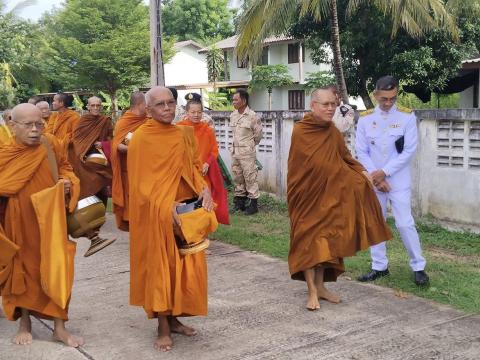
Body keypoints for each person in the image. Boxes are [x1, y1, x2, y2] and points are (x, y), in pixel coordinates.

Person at [287, 88, 392, 311]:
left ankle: (322, 287)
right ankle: (312, 292)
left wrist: (362, 172)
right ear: (313, 105)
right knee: (308, 242)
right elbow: (306, 167)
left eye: (333, 104)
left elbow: (344, 158)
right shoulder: (301, 131)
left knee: (327, 242)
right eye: (325, 104)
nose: (330, 108)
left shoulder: (333, 132)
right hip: (306, 197)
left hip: (329, 198)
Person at [128, 86, 214, 352]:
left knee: (183, 269)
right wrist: (166, 207)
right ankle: (163, 327)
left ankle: (175, 319)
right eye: (160, 104)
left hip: (186, 213)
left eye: (170, 103)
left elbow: (194, 169)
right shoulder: (141, 138)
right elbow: (140, 185)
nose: (167, 108)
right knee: (161, 269)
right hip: (158, 214)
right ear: (149, 109)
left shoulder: (184, 134)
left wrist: (205, 190)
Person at [0, 103, 83, 347]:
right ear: (12, 125)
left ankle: (60, 327)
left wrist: (67, 182)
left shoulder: (51, 144)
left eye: (40, 124)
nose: (36, 130)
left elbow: (67, 169)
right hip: (19, 221)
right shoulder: (4, 152)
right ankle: (25, 323)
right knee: (23, 270)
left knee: (58, 268)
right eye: (29, 125)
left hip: (52, 219)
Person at [355, 75, 429, 286]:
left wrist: (384, 173)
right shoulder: (366, 119)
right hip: (374, 181)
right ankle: (379, 266)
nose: (388, 103)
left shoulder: (407, 117)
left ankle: (418, 267)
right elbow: (361, 150)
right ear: (376, 95)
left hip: (398, 181)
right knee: (375, 222)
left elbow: (408, 152)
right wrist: (376, 177)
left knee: (405, 224)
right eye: (384, 98)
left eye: (392, 98)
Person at [68, 96, 115, 256]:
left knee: (102, 187)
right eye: (93, 105)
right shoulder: (82, 121)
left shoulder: (105, 121)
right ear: (87, 107)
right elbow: (77, 140)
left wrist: (104, 145)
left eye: (98, 105)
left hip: (100, 160)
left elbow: (111, 139)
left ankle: (99, 215)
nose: (95, 108)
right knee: (88, 188)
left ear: (101, 107)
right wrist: (84, 151)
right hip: (84, 160)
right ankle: (89, 218)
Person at [177, 98, 229, 224]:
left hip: (204, 172)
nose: (196, 115)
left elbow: (214, 150)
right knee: (189, 201)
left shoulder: (207, 130)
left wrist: (207, 163)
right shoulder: (179, 129)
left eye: (199, 112)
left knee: (205, 200)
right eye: (193, 112)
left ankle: (203, 228)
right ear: (187, 113)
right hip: (187, 172)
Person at [111, 91, 148, 231]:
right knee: (134, 204)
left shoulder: (148, 120)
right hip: (130, 170)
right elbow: (117, 145)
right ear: (140, 104)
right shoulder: (124, 122)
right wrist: (135, 149)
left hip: (147, 168)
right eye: (146, 104)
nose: (148, 107)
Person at [230, 89, 263, 215]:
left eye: (236, 99)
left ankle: (253, 205)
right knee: (238, 176)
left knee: (250, 177)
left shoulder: (252, 116)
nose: (233, 102)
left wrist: (249, 146)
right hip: (235, 152)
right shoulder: (233, 115)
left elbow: (258, 135)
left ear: (243, 101)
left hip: (247, 153)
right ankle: (240, 203)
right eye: (233, 99)